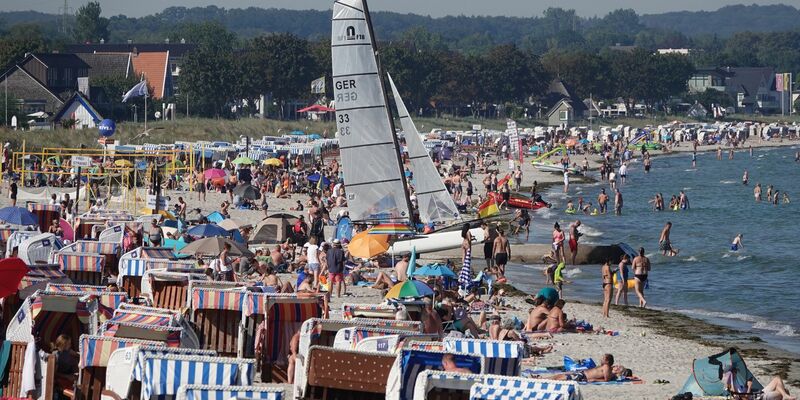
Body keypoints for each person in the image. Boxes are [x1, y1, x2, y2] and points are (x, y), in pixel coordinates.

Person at [551, 354, 617, 383]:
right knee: (559, 376)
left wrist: (594, 379)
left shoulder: (606, 367)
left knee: (560, 378)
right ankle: (541, 379)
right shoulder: (603, 366)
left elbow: (606, 379)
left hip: (582, 376)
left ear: (607, 361)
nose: (601, 359)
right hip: (581, 373)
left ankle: (542, 380)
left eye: (603, 358)